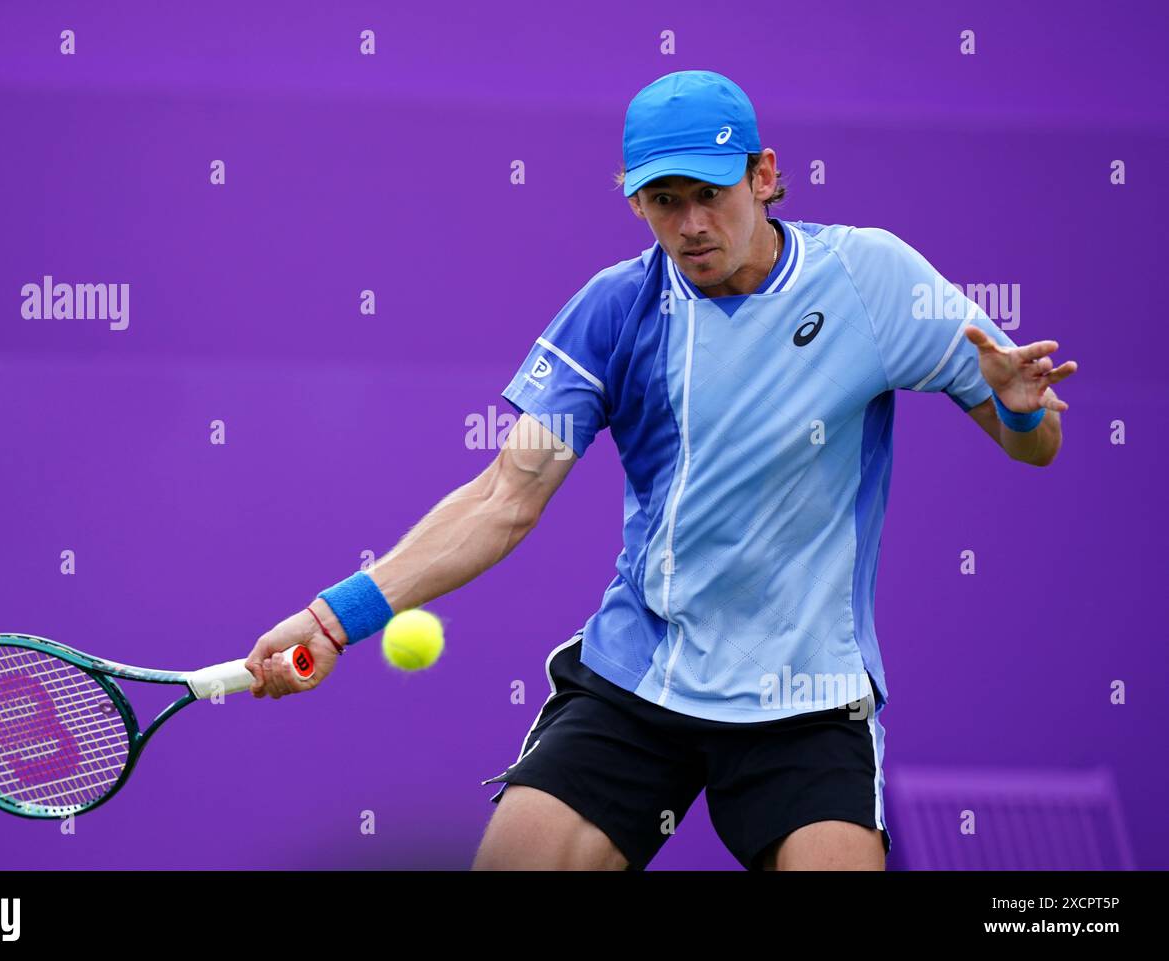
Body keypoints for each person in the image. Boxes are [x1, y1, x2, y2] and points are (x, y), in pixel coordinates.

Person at [243, 69, 1077, 871]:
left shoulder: (873, 279)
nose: (690, 225)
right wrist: (332, 618)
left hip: (809, 693)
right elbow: (503, 497)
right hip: (642, 678)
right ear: (638, 201)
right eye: (663, 202)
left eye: (710, 194)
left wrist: (1017, 410)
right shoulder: (616, 310)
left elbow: (1036, 447)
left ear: (765, 176)